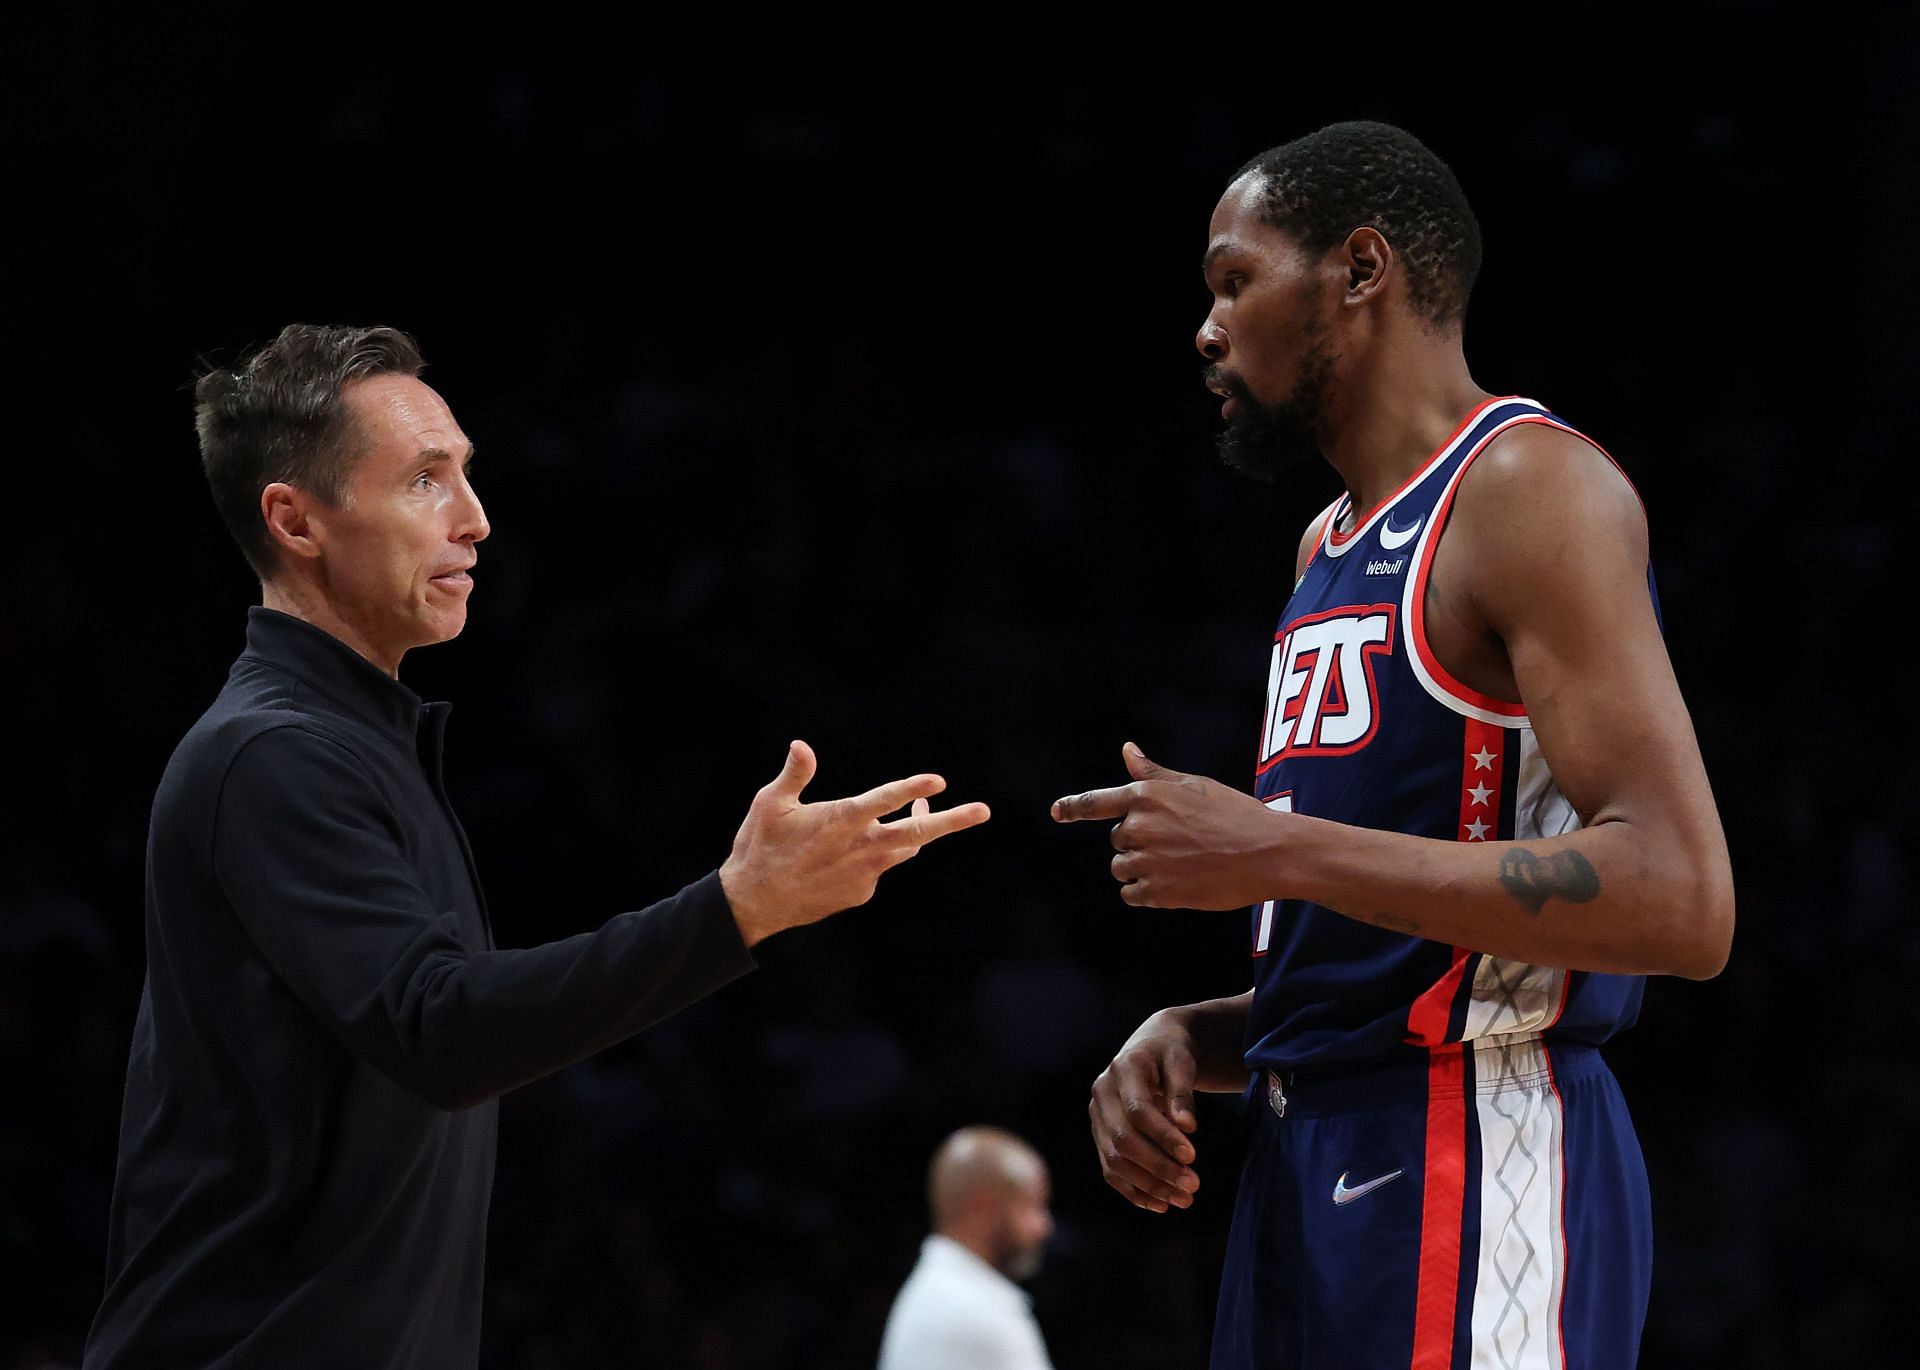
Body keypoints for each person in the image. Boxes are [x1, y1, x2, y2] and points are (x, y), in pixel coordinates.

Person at [83, 324, 991, 1369]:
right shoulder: (272, 756)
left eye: (465, 473)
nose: (474, 518)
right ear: (295, 519)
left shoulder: (349, 743)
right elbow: (446, 1029)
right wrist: (738, 907)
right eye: (426, 480)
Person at [1052, 122, 1734, 1369]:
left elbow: (1683, 898)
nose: (1206, 329)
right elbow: (1392, 952)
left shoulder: (1528, 489)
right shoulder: (1326, 547)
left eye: (1233, 279)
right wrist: (1200, 1035)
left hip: (1474, 1151)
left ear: (1361, 269)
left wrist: (1282, 847)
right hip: (1305, 1155)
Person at [877, 1127, 1056, 1370]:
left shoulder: (937, 1291)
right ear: (983, 1208)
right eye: (1031, 1206)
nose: (1043, 1226)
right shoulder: (980, 1312)